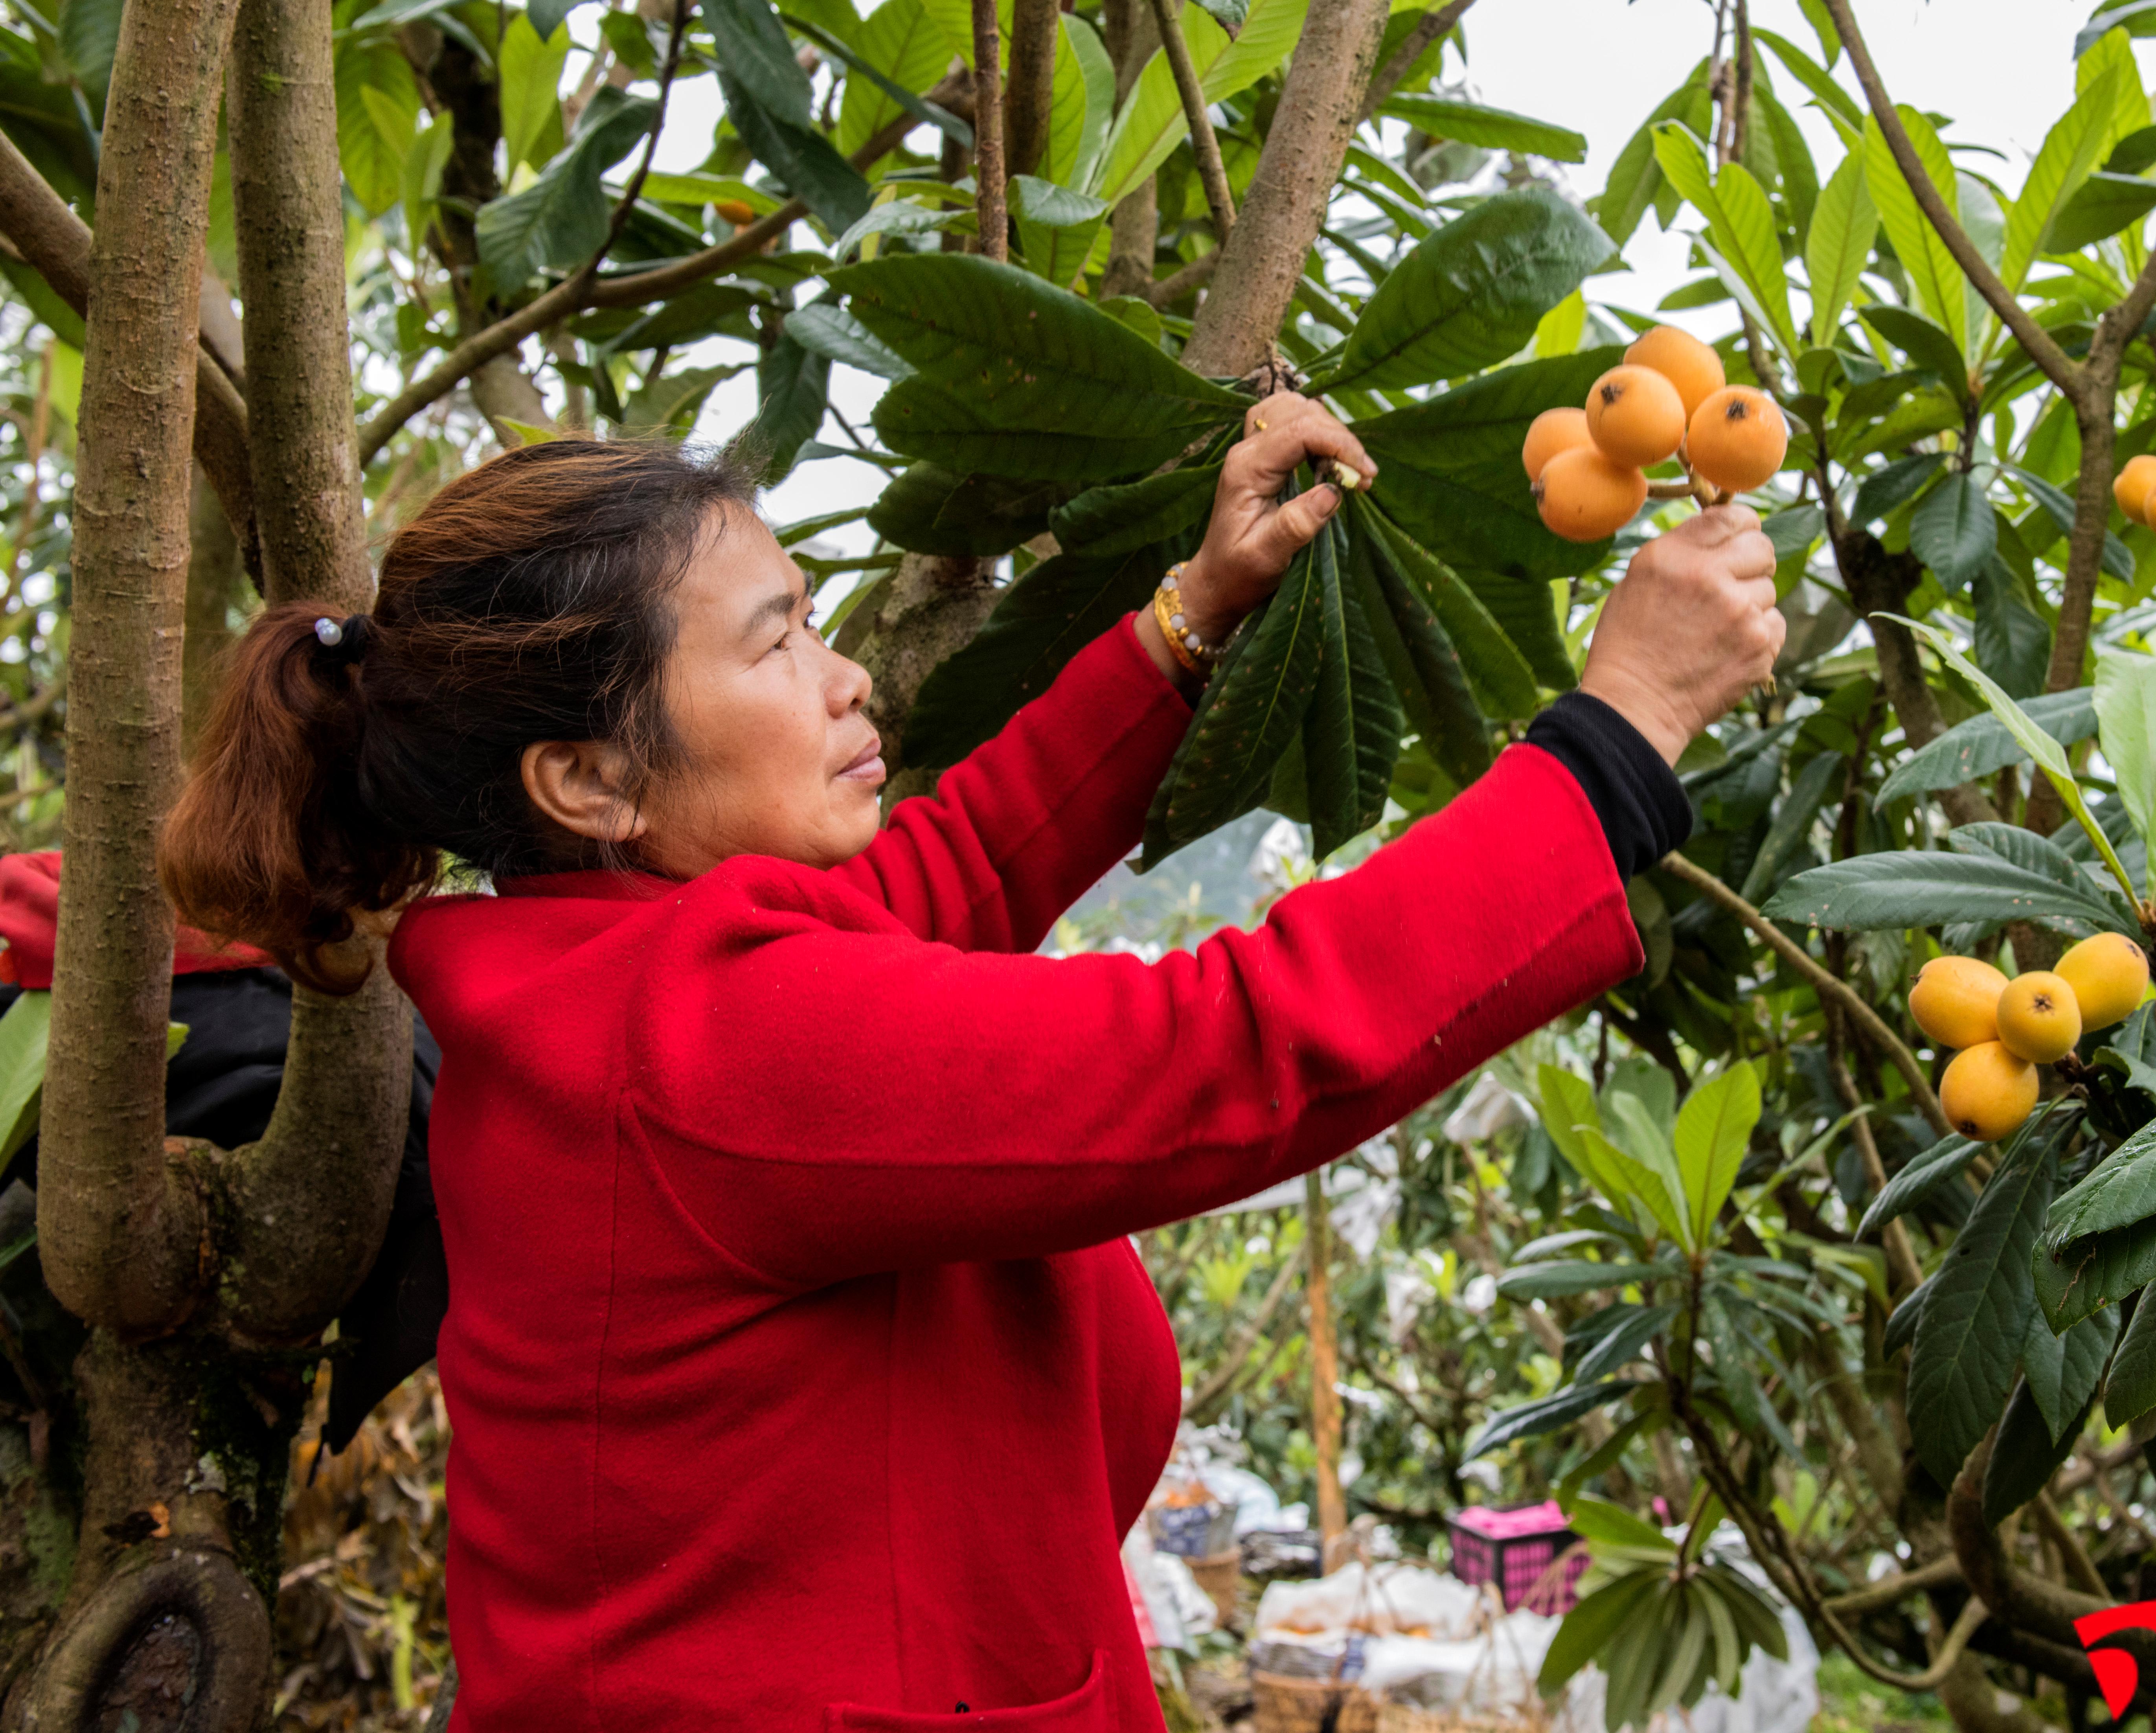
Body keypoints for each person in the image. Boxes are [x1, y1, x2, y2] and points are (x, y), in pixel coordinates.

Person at [158, 397, 1784, 1732]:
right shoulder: (699, 1049)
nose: (848, 670)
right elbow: (1229, 1048)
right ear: (588, 778)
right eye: (778, 640)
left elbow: (937, 881)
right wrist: (1613, 742)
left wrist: (1184, 625)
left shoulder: (602, 975)